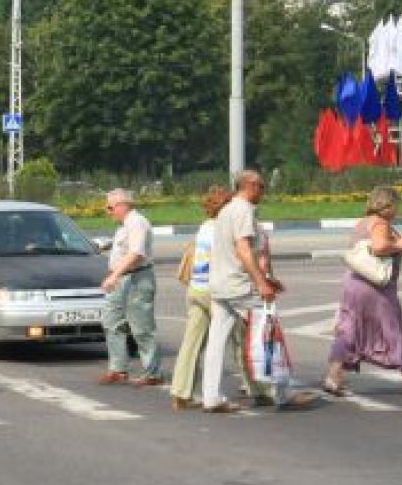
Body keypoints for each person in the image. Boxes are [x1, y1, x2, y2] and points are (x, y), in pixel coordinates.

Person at [199, 170, 311, 412]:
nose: (263, 191)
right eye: (261, 186)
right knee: (270, 332)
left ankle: (211, 397)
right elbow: (244, 250)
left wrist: (266, 278)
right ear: (249, 186)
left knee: (216, 342)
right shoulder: (243, 210)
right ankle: (282, 393)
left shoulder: (226, 211)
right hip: (240, 286)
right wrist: (261, 283)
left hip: (221, 285)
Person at [323, 187, 402, 397]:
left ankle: (333, 377)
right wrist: (400, 245)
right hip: (375, 286)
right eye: (396, 205)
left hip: (354, 282)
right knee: (394, 329)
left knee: (349, 329)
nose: (398, 210)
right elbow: (378, 247)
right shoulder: (381, 223)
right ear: (389, 205)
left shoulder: (361, 223)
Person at [168, 185, 232, 411]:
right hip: (215, 292)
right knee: (238, 339)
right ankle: (260, 389)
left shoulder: (204, 227)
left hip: (195, 289)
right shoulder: (223, 230)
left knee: (191, 343)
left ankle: (180, 393)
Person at [98, 188, 161, 386]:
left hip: (137, 279)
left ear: (122, 205)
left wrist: (114, 275)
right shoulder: (123, 226)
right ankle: (118, 369)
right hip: (121, 280)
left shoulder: (136, 222)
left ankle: (153, 372)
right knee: (111, 321)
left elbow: (136, 254)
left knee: (141, 326)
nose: (108, 212)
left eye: (110, 207)